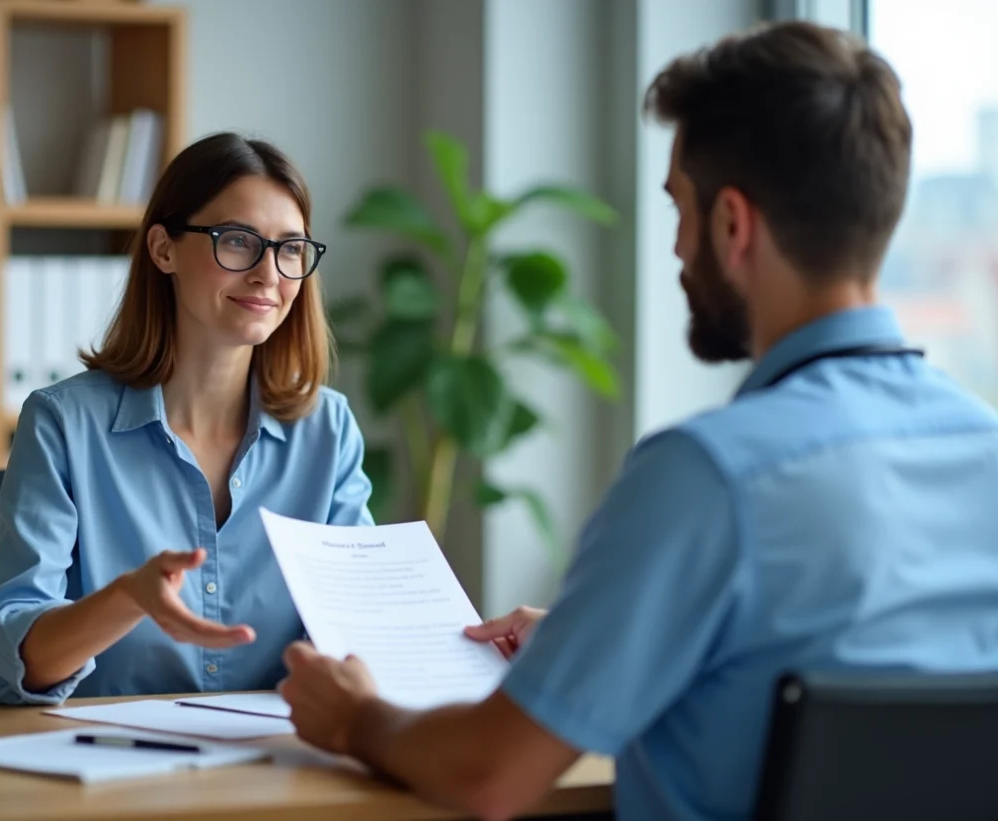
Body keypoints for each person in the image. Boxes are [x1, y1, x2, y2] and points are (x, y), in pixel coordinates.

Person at [275, 20, 998, 821]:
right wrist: (599, 640)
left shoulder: (709, 476)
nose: (679, 249)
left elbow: (491, 774)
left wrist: (355, 716)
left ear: (733, 224)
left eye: (678, 211)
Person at [0, 132, 373, 705]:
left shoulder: (327, 431)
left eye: (290, 249)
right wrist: (129, 597)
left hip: (278, 766)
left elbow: (361, 627)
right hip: (107, 775)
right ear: (163, 249)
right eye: (238, 241)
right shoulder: (63, 424)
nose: (268, 275)